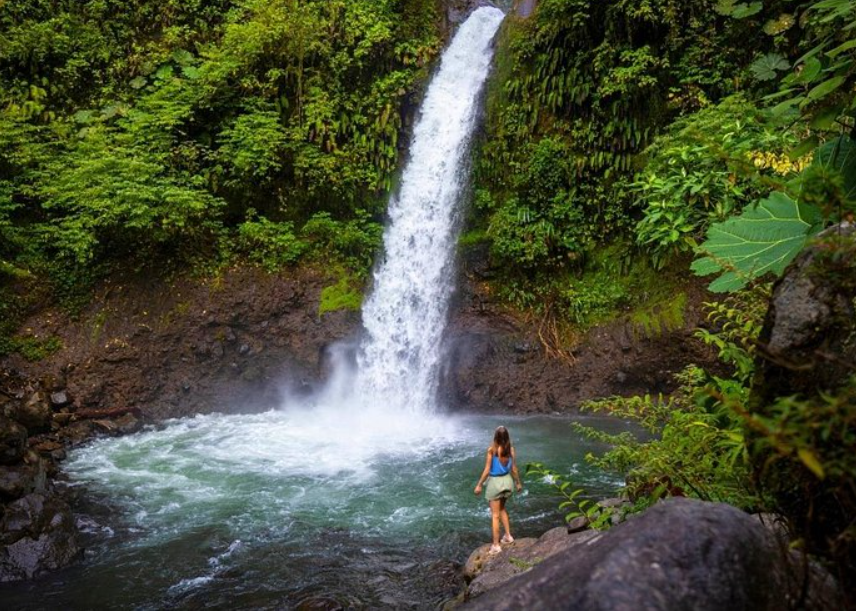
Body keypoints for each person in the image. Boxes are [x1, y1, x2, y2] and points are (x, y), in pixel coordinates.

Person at [474, 425, 523, 554]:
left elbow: (487, 470)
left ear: (495, 437)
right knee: (502, 509)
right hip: (508, 482)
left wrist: (479, 484)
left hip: (495, 483)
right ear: (507, 437)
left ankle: (496, 545)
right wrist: (518, 483)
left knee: (495, 515)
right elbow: (514, 469)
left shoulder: (492, 450)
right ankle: (508, 536)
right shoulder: (511, 450)